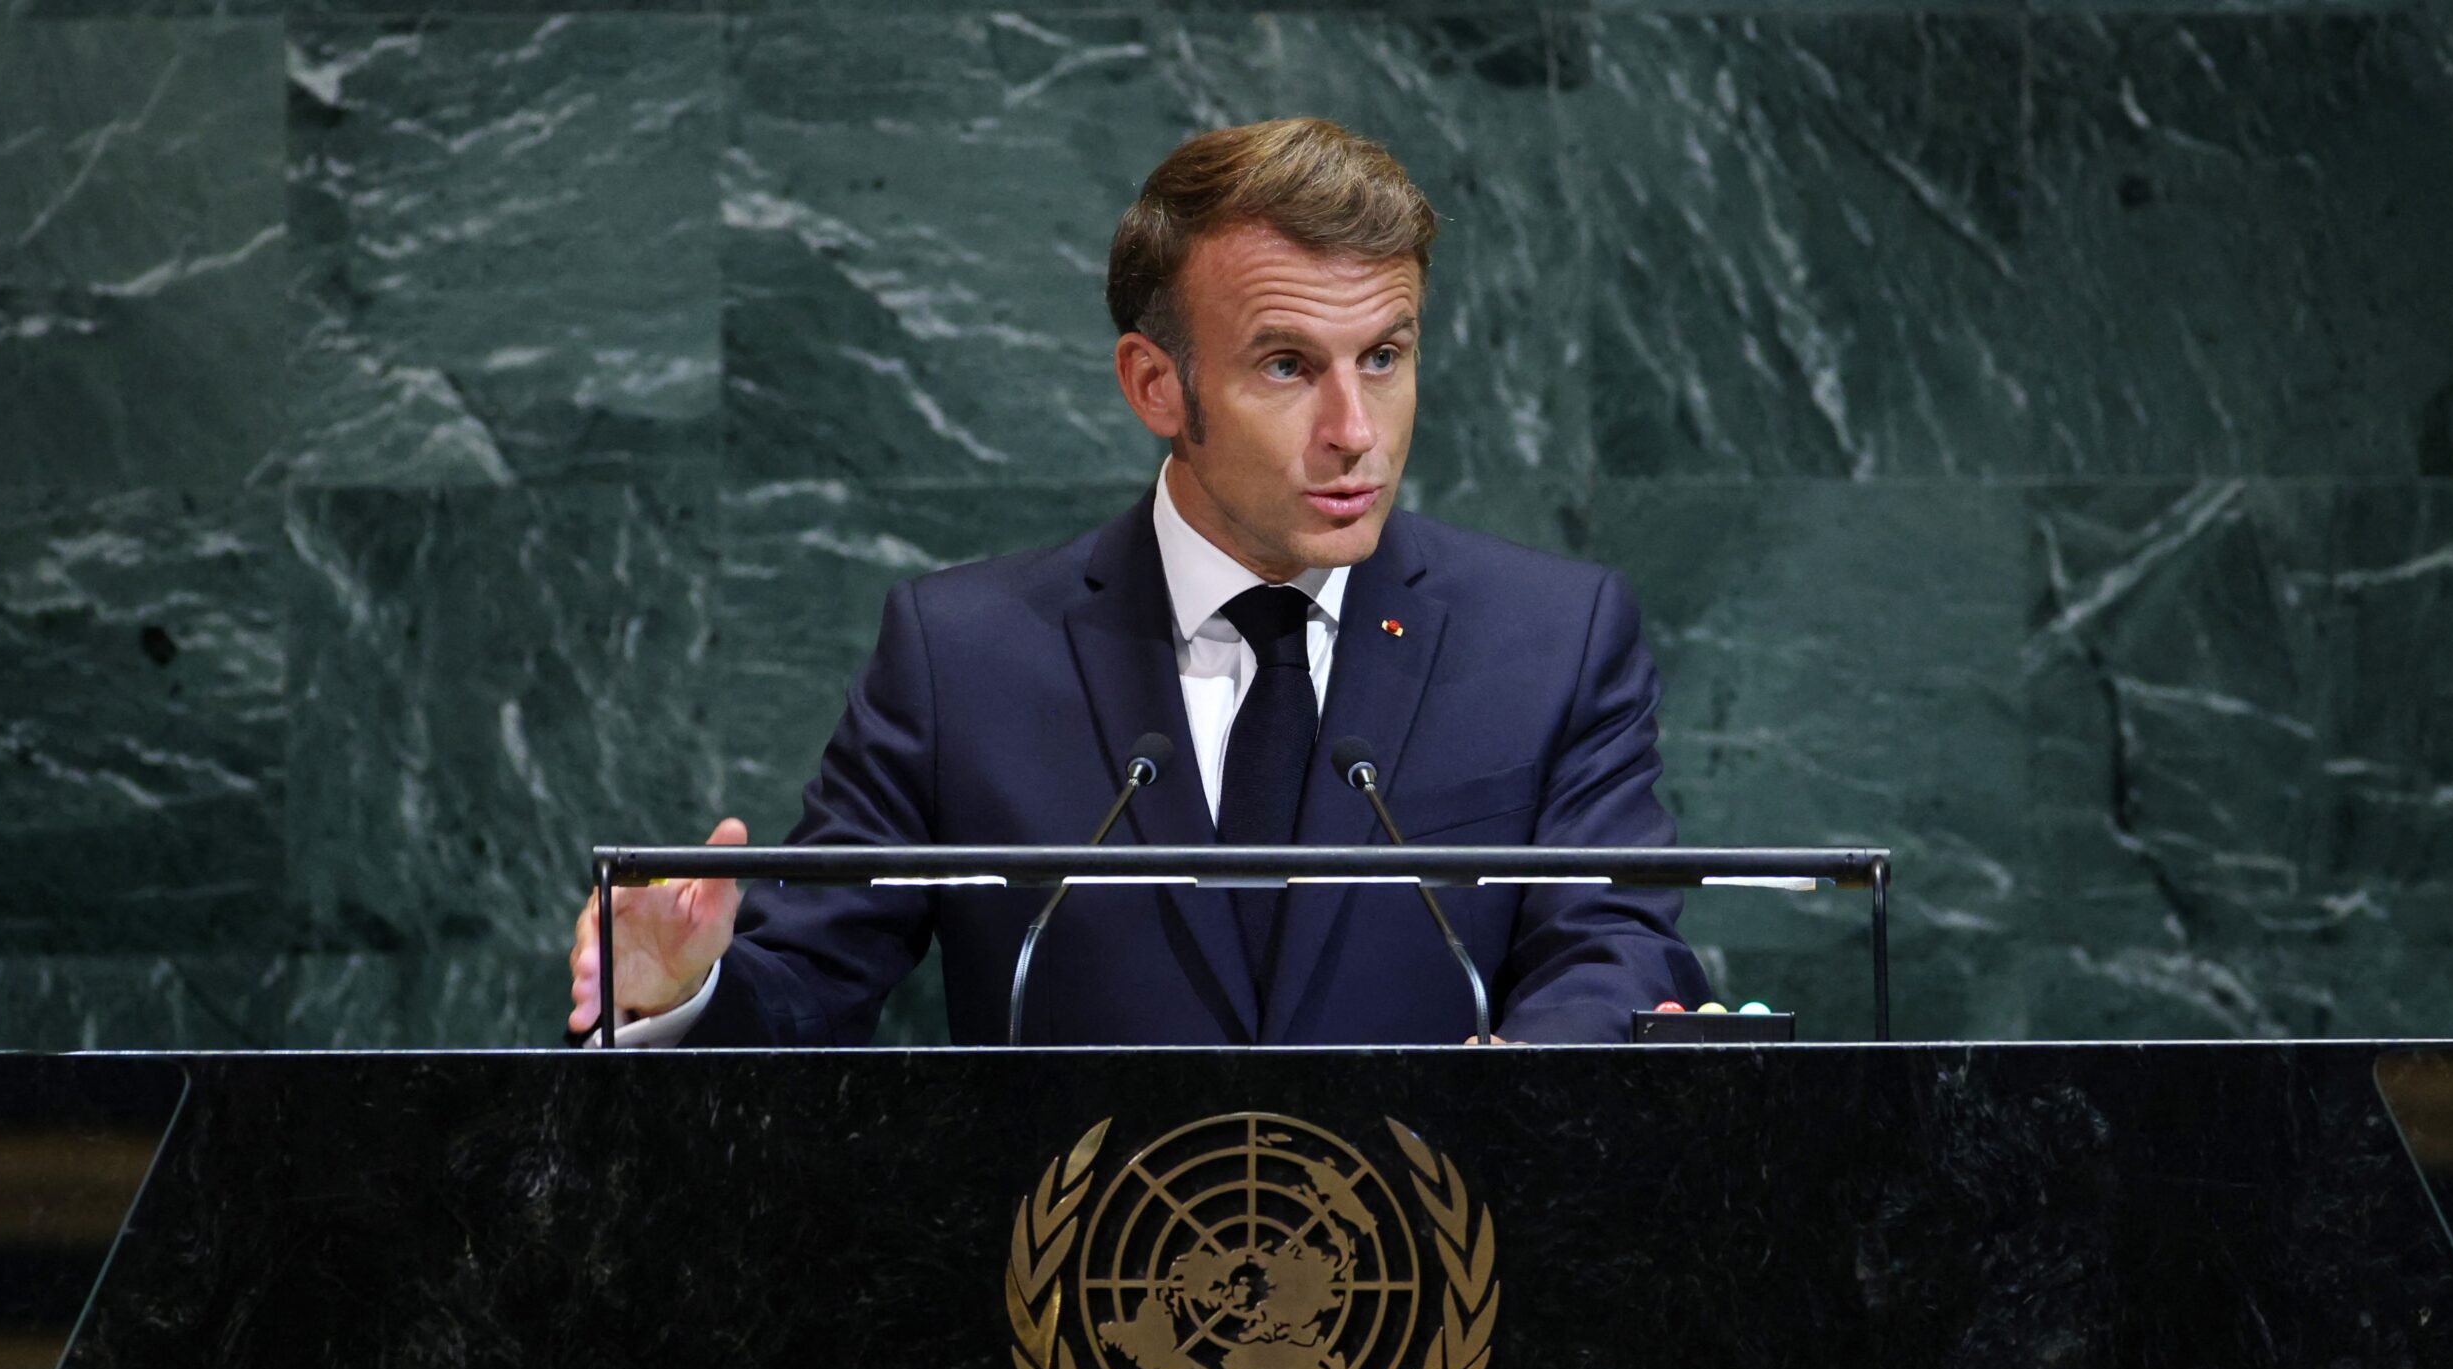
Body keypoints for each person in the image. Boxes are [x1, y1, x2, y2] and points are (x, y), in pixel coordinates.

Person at [566, 117, 1710, 1047]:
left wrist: (1521, 1090)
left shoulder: (1552, 637)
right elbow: (809, 986)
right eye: (1286, 365)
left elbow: (1615, 943)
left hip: (1438, 1246)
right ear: (1156, 386)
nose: (1355, 429)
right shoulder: (963, 658)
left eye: (1383, 356)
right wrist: (677, 995)